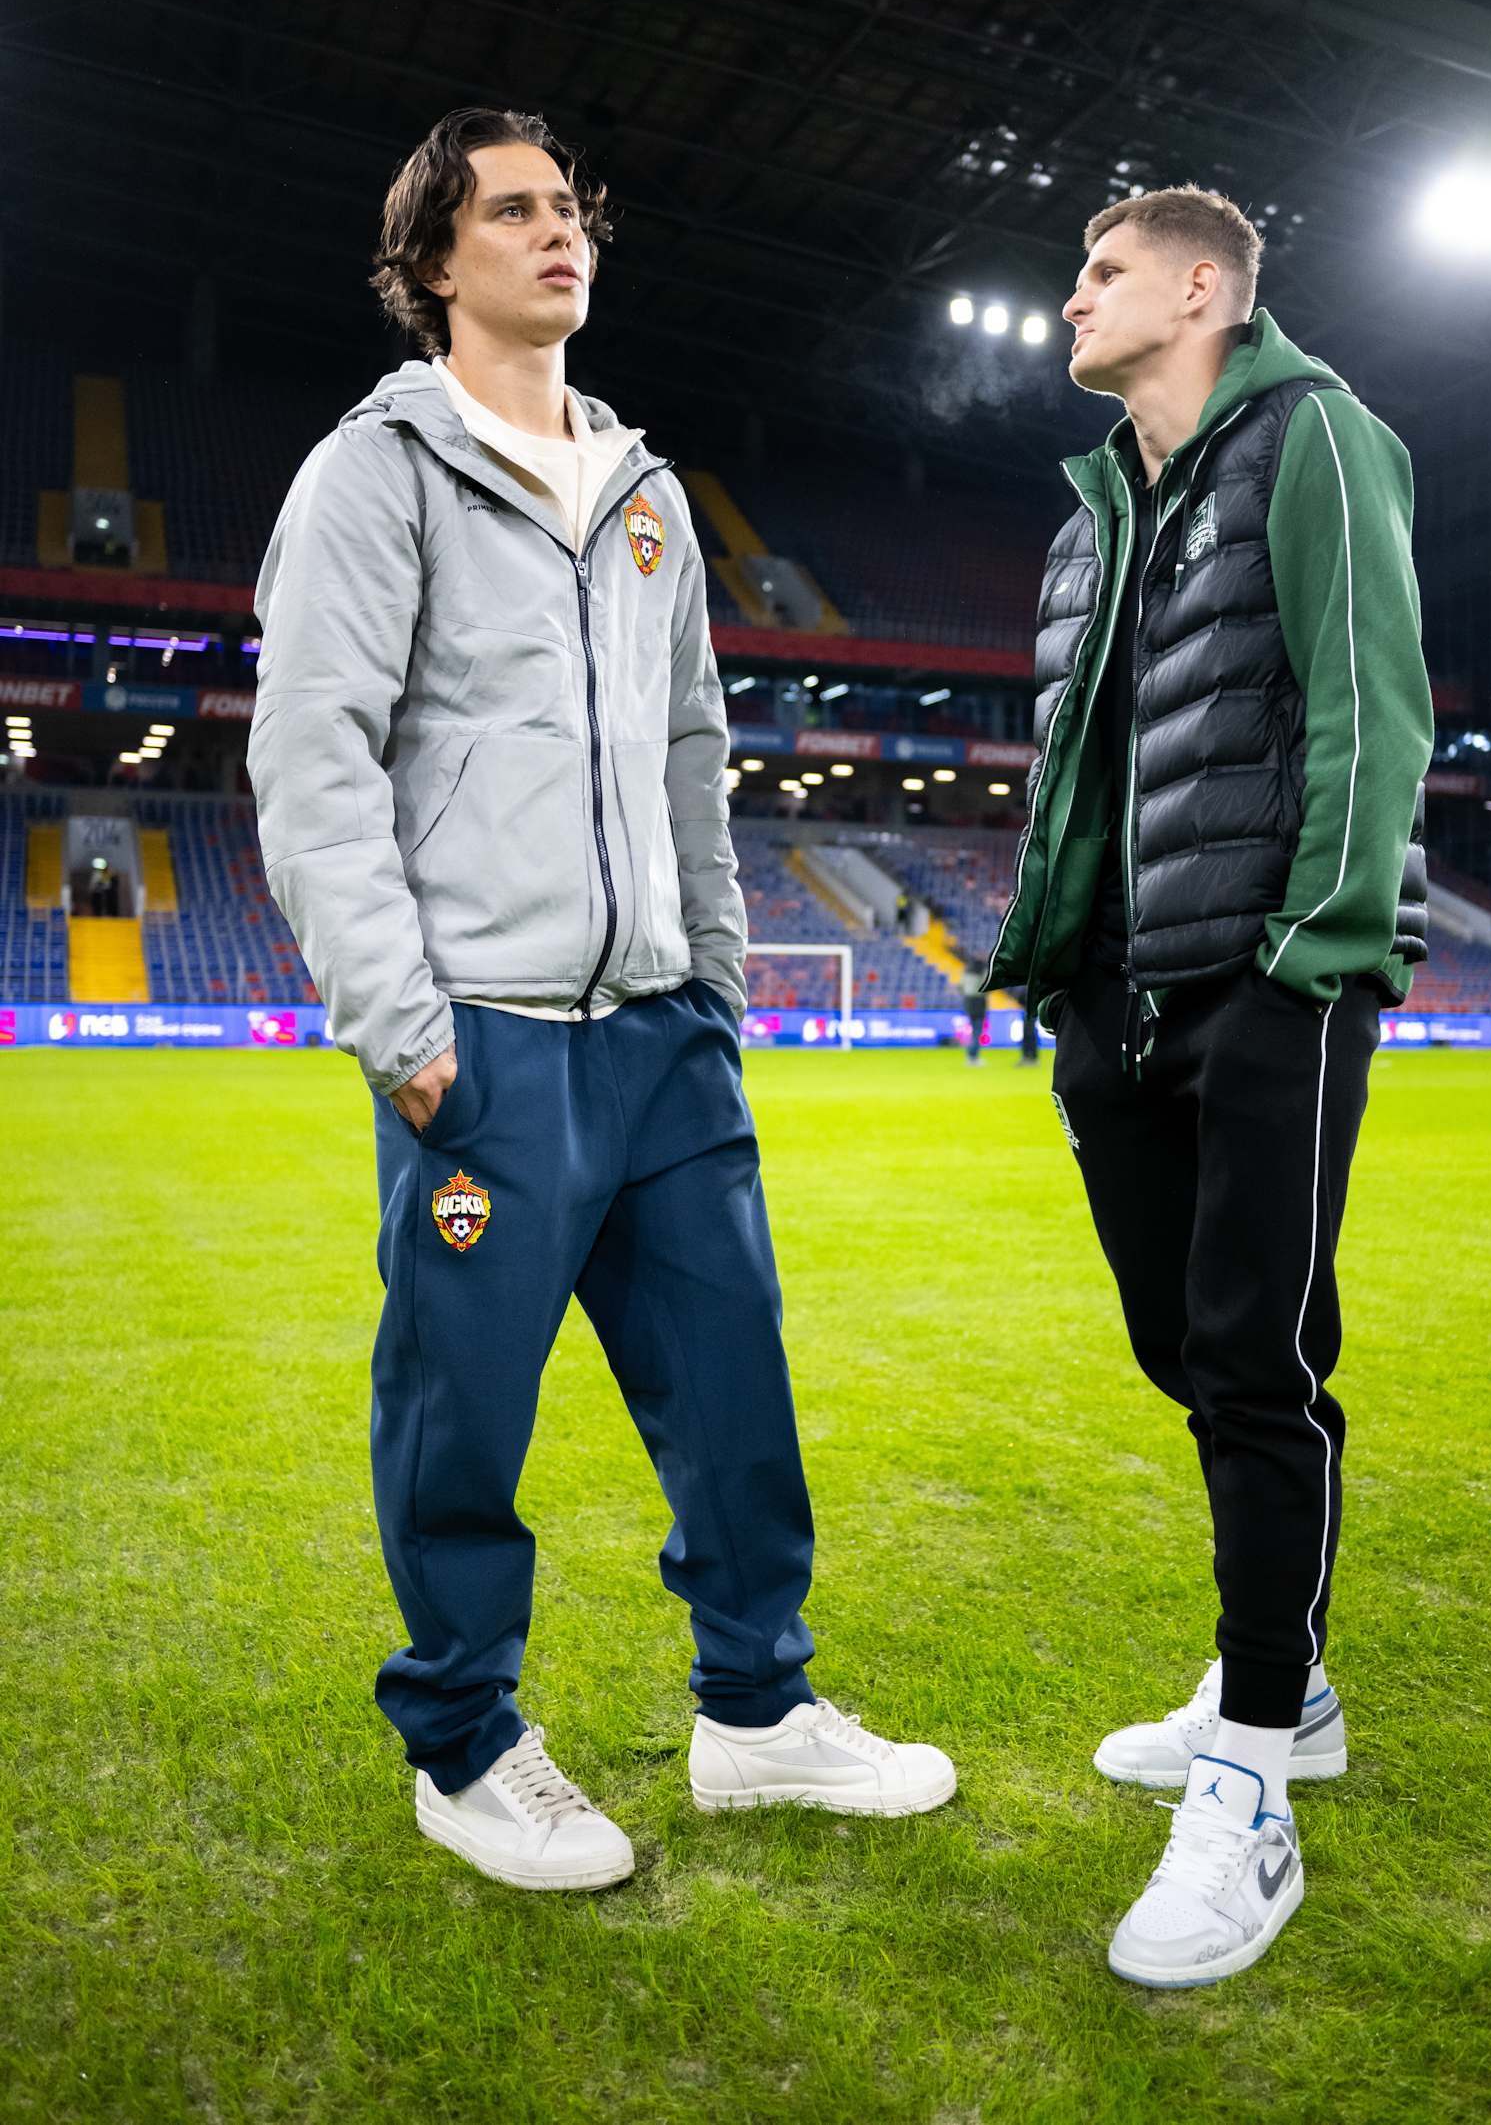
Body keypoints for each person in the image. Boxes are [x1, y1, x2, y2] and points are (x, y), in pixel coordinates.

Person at [248, 106, 954, 1894]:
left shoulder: (645, 494)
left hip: (663, 1037)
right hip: (484, 1037)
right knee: (462, 1413)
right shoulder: (374, 474)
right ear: (432, 262)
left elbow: (691, 755)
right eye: (512, 210)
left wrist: (713, 979)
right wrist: (404, 1026)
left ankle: (757, 1711)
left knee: (735, 1391)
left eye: (569, 207)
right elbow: (313, 761)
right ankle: (466, 1743)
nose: (559, 231)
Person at [983, 185, 1430, 1986]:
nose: (1069, 300)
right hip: (1114, 991)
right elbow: (1080, 768)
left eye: (1097, 273)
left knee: (1254, 1359)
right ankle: (1288, 1678)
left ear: (1197, 287)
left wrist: (1315, 947)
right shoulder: (1092, 510)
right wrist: (1055, 964)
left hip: (1269, 975)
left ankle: (1252, 1769)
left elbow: (1367, 697)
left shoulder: (1315, 435)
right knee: (1178, 1345)